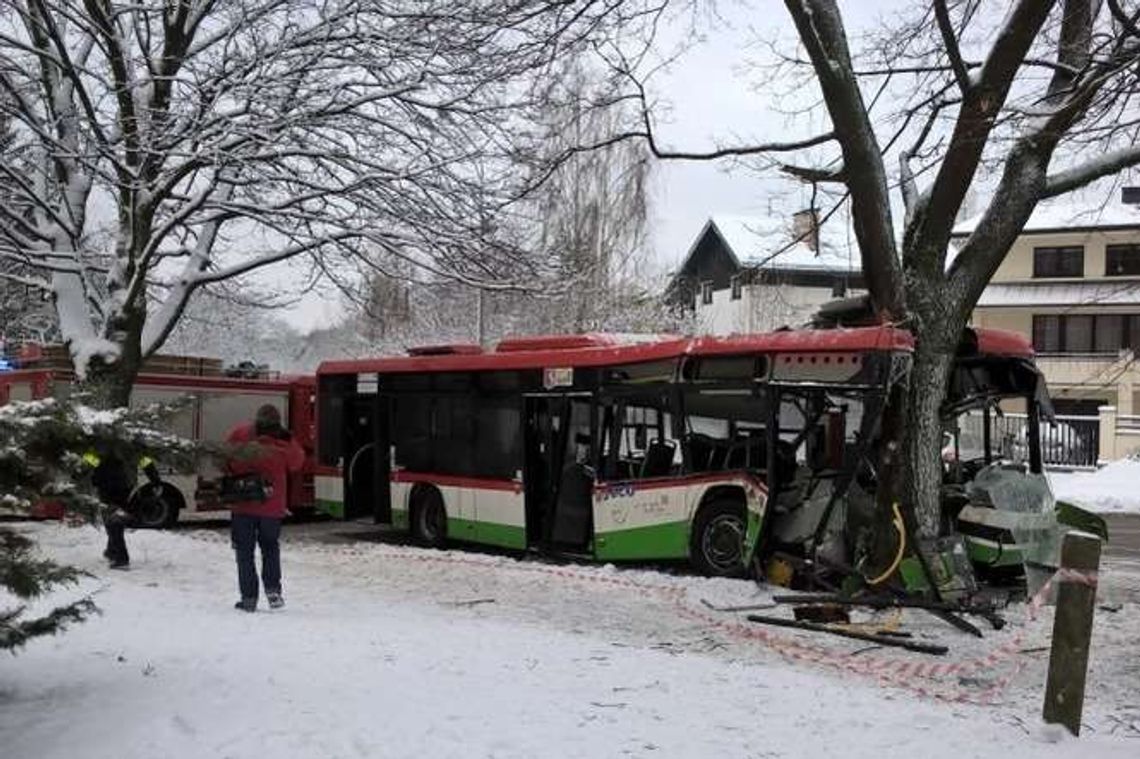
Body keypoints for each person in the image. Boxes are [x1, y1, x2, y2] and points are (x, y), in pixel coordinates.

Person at [224, 404, 304, 612]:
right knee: (270, 548)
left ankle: (249, 598)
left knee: (244, 552)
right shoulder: (284, 441)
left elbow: (225, 460)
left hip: (243, 504)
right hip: (272, 507)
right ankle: (273, 590)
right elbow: (297, 464)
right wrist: (289, 440)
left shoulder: (241, 434)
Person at [85, 449, 161, 570]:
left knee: (113, 520)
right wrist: (155, 480)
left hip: (107, 486)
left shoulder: (102, 442)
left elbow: (89, 460)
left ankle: (121, 558)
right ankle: (112, 550)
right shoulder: (129, 443)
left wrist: (79, 473)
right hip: (126, 485)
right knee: (114, 518)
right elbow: (145, 461)